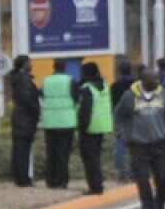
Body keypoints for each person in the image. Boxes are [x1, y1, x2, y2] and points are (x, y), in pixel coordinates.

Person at [115, 67, 165, 209]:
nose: (156, 82)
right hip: (139, 146)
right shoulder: (130, 96)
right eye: (152, 80)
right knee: (142, 181)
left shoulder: (163, 95)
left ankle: (159, 205)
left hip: (161, 144)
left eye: (157, 79)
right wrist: (123, 134)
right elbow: (119, 115)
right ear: (143, 81)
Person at [41, 60, 79, 189]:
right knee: (63, 153)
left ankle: (50, 180)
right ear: (64, 68)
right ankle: (62, 181)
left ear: (54, 67)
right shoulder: (70, 81)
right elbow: (76, 98)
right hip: (66, 122)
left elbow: (42, 96)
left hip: (50, 121)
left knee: (51, 152)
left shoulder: (46, 81)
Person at [76, 62, 112, 195]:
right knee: (96, 157)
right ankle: (98, 183)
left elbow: (85, 111)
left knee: (90, 159)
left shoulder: (87, 88)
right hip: (102, 126)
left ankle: (95, 187)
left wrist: (81, 128)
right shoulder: (105, 85)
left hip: (89, 127)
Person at [8, 55, 40, 188]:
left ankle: (19, 177)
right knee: (23, 149)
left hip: (19, 117)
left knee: (19, 149)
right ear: (24, 64)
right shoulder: (25, 79)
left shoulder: (17, 78)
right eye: (29, 62)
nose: (31, 64)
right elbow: (28, 99)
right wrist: (36, 111)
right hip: (25, 118)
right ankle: (23, 179)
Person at [110, 61, 135, 181]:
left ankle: (122, 172)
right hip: (135, 116)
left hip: (120, 117)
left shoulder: (115, 85)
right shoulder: (136, 85)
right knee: (135, 146)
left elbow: (113, 102)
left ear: (120, 71)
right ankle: (134, 172)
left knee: (120, 144)